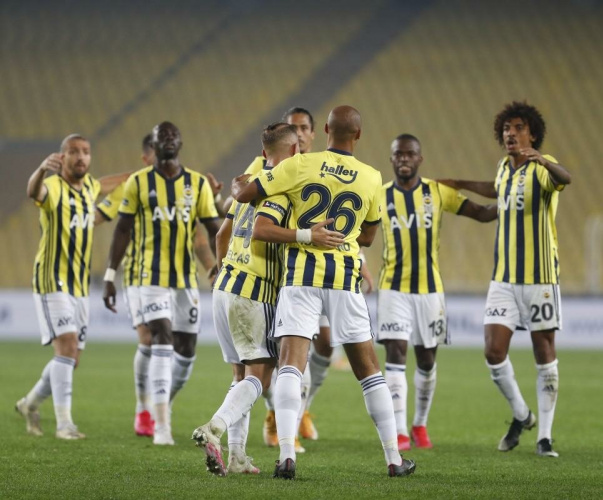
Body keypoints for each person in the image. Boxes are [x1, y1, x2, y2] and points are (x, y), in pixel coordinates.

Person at [231, 105, 416, 479]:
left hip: (301, 277)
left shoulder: (301, 164)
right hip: (345, 279)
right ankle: (394, 459)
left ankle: (286, 456)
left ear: (326, 130)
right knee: (369, 370)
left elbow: (247, 194)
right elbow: (368, 236)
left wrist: (239, 184)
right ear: (358, 135)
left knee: (291, 364)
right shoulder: (372, 177)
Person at [192, 123, 340, 475]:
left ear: (263, 153)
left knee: (241, 376)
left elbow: (222, 234)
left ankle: (237, 457)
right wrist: (307, 235)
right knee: (261, 376)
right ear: (295, 152)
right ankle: (214, 427)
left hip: (225, 287)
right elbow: (261, 230)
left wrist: (224, 272)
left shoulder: (253, 183)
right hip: (253, 291)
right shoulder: (283, 187)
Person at [439, 101, 571, 457]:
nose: (510, 133)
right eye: (506, 129)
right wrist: (458, 184)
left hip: (540, 277)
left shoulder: (541, 168)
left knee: (544, 353)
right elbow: (494, 191)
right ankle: (522, 414)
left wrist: (545, 161)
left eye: (518, 128)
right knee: (493, 351)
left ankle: (544, 437)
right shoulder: (503, 168)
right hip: (503, 279)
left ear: (532, 134)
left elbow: (565, 179)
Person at [96, 134, 222, 438]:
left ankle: (160, 404)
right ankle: (147, 411)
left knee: (184, 349)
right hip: (140, 275)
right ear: (147, 156)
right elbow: (108, 222)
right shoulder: (135, 184)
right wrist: (110, 275)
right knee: (151, 338)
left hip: (182, 278)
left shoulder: (190, 186)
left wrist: (213, 269)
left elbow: (201, 237)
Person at [377, 134, 496, 451]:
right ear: (391, 159)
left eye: (410, 154)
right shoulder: (379, 195)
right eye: (398, 154)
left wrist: (511, 202)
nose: (404, 158)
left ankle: (419, 425)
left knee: (427, 360)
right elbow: (359, 231)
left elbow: (481, 213)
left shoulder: (437, 191)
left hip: (430, 291)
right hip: (392, 289)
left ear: (420, 159)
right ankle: (399, 431)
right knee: (396, 354)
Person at [15, 134, 129, 440]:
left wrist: (142, 174)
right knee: (65, 345)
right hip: (52, 279)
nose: (81, 157)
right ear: (62, 157)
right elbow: (33, 191)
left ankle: (29, 403)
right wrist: (42, 169)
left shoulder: (89, 187)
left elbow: (111, 183)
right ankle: (64, 424)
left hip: (79, 284)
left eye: (86, 152)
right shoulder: (52, 186)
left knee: (71, 358)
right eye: (74, 152)